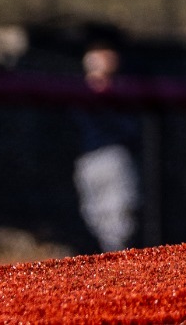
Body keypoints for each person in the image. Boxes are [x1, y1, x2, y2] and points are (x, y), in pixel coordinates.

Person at [72, 41, 141, 253]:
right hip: (89, 161)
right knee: (96, 218)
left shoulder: (123, 91)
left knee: (118, 220)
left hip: (113, 158)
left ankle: (116, 270)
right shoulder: (77, 94)